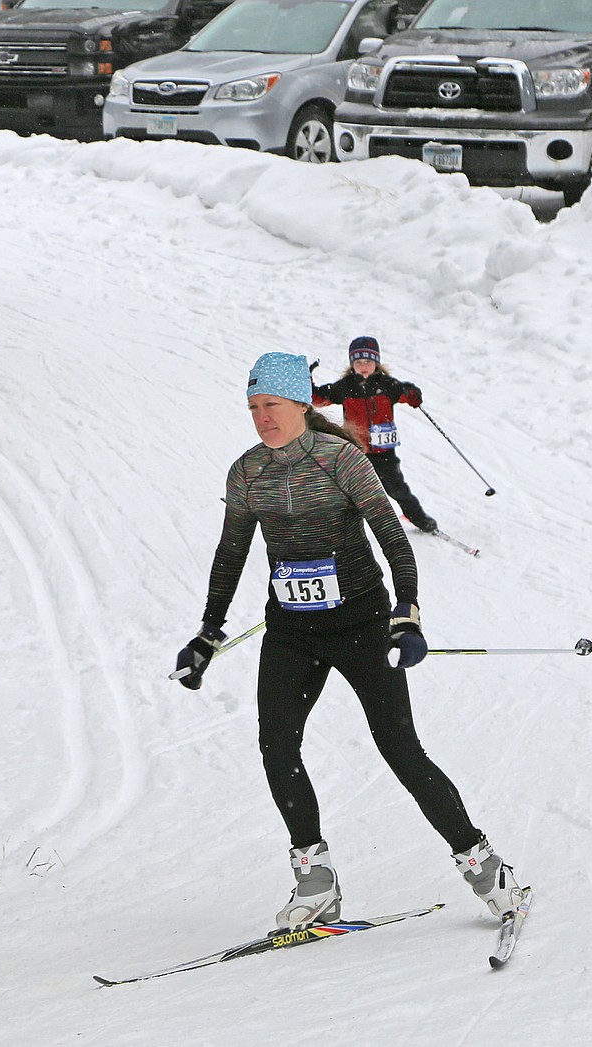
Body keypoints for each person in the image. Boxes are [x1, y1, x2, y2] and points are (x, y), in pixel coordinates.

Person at [175, 351, 523, 932]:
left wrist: (405, 614)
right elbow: (231, 551)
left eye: (274, 406)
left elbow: (394, 539)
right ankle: (316, 882)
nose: (263, 418)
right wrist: (209, 631)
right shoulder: (246, 471)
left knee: (400, 749)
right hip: (290, 629)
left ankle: (488, 870)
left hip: (361, 625)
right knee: (277, 747)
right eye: (254, 408)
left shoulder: (342, 459)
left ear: (303, 404)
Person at [312, 335, 438, 534]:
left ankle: (418, 518)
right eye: (358, 362)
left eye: (368, 362)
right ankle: (340, 527)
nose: (363, 366)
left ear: (376, 363)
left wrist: (413, 394)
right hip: (356, 449)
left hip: (383, 450)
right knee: (349, 490)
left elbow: (407, 393)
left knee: (396, 488)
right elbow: (318, 399)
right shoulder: (345, 387)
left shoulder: (387, 385)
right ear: (352, 364)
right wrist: (307, 381)